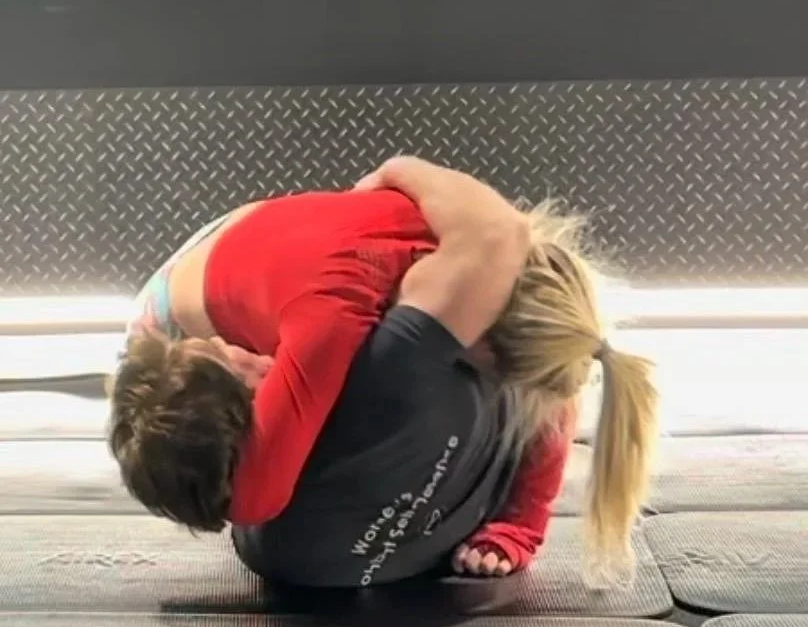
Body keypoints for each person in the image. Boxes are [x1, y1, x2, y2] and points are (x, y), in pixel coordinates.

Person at [107, 157, 658, 587]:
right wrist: (401, 169)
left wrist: (522, 526)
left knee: (520, 374)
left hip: (286, 245)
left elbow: (549, 386)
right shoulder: (332, 324)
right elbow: (252, 501)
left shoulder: (473, 277)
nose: (263, 362)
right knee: (177, 434)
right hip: (178, 306)